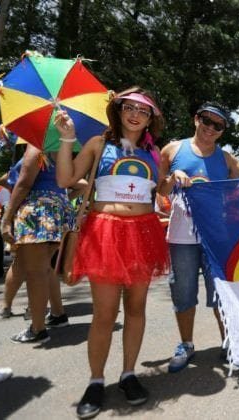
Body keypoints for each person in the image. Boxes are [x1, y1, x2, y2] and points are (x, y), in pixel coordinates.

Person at [55, 87, 169, 419]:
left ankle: (129, 374)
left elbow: (160, 189)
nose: (135, 114)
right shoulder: (97, 144)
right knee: (104, 314)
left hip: (144, 233)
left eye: (143, 110)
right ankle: (95, 381)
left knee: (136, 308)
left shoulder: (154, 152)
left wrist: (173, 178)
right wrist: (67, 138)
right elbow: (65, 178)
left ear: (151, 119)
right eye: (129, 107)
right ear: (117, 110)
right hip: (104, 232)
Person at [158, 102, 239, 372]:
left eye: (217, 125)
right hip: (181, 238)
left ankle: (229, 343)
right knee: (183, 293)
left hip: (215, 238)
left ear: (223, 131)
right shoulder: (172, 149)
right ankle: (186, 344)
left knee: (221, 294)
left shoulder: (225, 158)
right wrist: (174, 176)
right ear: (196, 119)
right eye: (206, 121)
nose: (210, 128)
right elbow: (159, 187)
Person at [0, 145, 74, 343]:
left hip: (38, 209)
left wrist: (6, 219)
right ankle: (54, 317)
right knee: (43, 270)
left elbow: (24, 183)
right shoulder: (62, 150)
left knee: (35, 274)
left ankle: (38, 328)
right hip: (56, 209)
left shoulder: (37, 146)